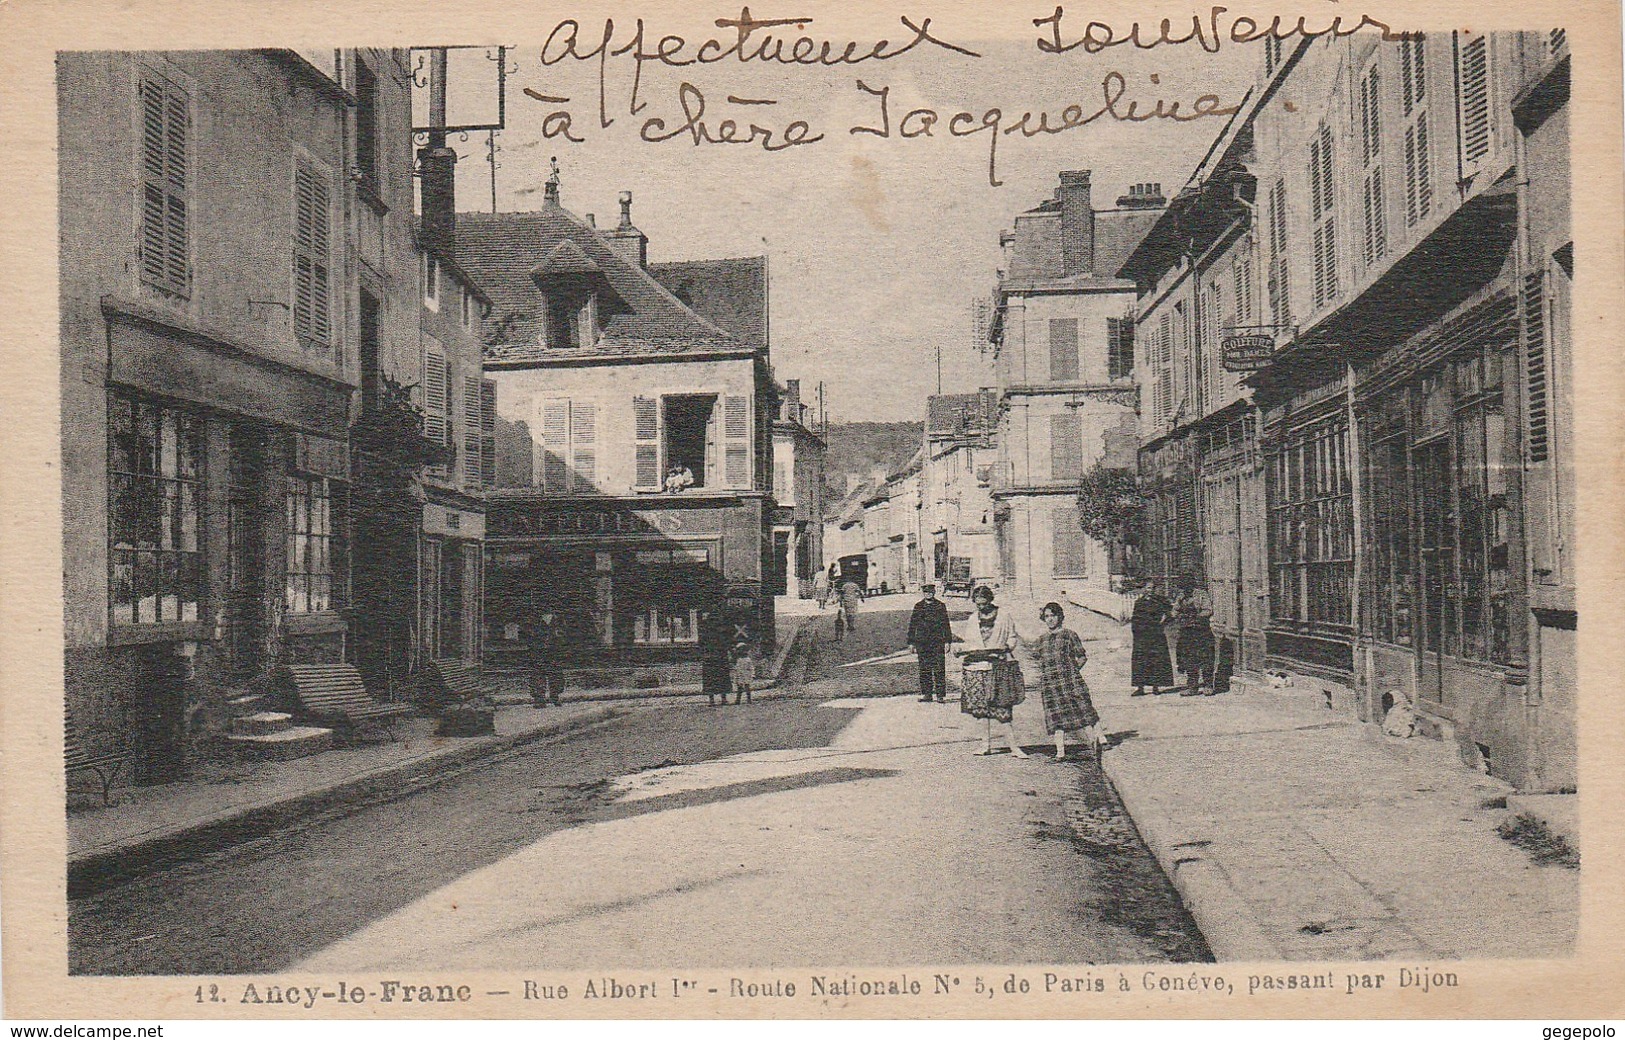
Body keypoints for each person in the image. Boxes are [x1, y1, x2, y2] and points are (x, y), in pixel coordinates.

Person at [953, 585, 1029, 758]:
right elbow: (970, 643)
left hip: (998, 666)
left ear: (990, 600)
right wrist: (959, 649)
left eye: (984, 603)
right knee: (981, 709)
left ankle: (1013, 747)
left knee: (1003, 706)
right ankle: (984, 745)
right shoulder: (973, 619)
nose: (981, 607)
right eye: (978, 604)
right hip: (976, 667)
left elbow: (1012, 636)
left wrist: (1007, 647)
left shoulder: (1004, 616)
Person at [1024, 602, 1105, 760]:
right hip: (1050, 684)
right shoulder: (1042, 640)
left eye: (1053, 615)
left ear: (1060, 617)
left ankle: (1099, 740)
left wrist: (1073, 671)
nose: (1050, 619)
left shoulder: (1069, 635)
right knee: (1056, 717)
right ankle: (1060, 752)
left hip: (1070, 681)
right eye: (1046, 616)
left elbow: (1081, 656)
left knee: (1083, 709)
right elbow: (1035, 658)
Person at [906, 583, 955, 703]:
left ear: (934, 593)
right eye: (926, 592)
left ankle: (940, 695)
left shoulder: (940, 606)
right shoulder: (918, 606)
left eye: (931, 592)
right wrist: (911, 642)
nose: (928, 594)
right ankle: (927, 694)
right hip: (922, 642)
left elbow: (946, 624)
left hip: (937, 642)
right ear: (923, 593)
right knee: (924, 669)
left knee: (939, 668)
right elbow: (913, 625)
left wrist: (948, 641)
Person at [1128, 580, 1175, 696]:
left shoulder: (1160, 601)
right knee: (1140, 661)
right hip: (1141, 635)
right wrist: (1135, 631)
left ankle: (1156, 687)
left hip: (1156, 635)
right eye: (1148, 588)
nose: (1151, 591)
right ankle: (1140, 687)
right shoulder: (1139, 602)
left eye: (1153, 588)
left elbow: (1171, 614)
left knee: (1156, 660)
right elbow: (1135, 617)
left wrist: (1163, 623)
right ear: (1144, 589)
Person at [1174, 575, 1217, 696]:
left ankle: (1208, 685)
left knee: (1205, 658)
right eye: (1182, 587)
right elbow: (1175, 609)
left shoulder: (1201, 594)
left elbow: (1208, 610)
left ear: (1191, 585)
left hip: (1201, 631)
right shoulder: (1181, 597)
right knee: (1189, 659)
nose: (1184, 590)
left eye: (1186, 587)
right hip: (1187, 632)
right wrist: (1174, 615)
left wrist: (1196, 617)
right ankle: (1192, 687)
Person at [530, 609, 565, 708]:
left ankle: (555, 696)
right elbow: (530, 635)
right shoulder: (535, 619)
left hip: (553, 651)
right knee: (538, 674)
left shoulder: (558, 619)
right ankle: (539, 698)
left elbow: (562, 635)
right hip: (539, 651)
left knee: (555, 674)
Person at [700, 606, 732, 706]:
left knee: (711, 678)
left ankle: (712, 700)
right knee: (722, 677)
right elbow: (727, 642)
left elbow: (701, 643)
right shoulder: (722, 630)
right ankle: (723, 698)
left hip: (710, 657)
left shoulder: (705, 630)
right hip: (720, 657)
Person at [730, 639, 756, 705]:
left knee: (747, 687)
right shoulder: (738, 660)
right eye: (741, 650)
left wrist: (752, 674)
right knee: (739, 688)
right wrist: (735, 676)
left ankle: (749, 699)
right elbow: (736, 669)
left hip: (746, 675)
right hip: (740, 675)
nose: (743, 652)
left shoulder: (748, 660)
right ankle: (738, 700)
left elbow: (751, 668)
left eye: (744, 650)